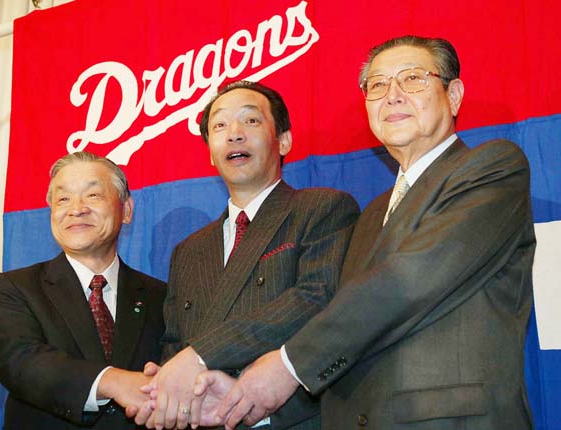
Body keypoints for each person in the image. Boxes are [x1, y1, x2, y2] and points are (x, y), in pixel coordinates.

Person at [205, 35, 536, 430]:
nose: (392, 95)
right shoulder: (372, 214)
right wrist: (244, 403)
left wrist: (287, 366)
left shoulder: (492, 169)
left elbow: (407, 282)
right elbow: (355, 334)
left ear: (453, 96)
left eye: (412, 78)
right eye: (377, 85)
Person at [128, 80, 360, 429]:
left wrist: (200, 355)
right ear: (210, 153)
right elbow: (175, 344)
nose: (234, 134)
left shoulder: (321, 209)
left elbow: (315, 298)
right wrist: (164, 387)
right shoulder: (188, 251)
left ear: (284, 140)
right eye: (220, 126)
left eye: (250, 120)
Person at [0, 151, 166, 429]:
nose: (77, 209)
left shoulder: (161, 296)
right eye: (63, 199)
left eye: (93, 195)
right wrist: (115, 382)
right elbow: (20, 361)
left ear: (126, 210)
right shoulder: (14, 289)